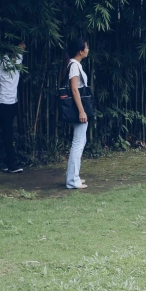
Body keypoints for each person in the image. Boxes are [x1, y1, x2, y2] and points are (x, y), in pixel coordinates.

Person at [0, 40, 26, 174]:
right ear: (13, 45)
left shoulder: (19, 58)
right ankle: (11, 164)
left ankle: (6, 162)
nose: (24, 46)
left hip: (13, 100)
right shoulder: (2, 61)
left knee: (9, 131)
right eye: (21, 44)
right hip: (2, 100)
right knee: (7, 132)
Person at [65, 37, 90, 189]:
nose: (88, 50)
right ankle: (72, 180)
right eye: (86, 47)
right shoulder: (74, 65)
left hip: (80, 107)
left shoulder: (75, 65)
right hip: (78, 108)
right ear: (80, 51)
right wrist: (81, 111)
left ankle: (74, 176)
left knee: (80, 142)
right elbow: (74, 89)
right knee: (78, 143)